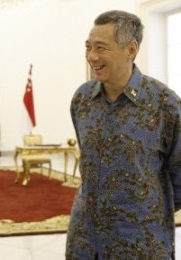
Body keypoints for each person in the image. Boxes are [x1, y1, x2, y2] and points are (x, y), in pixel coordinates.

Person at [66, 10, 181, 259]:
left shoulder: (165, 104)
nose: (92, 56)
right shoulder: (82, 99)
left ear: (131, 49)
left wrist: (141, 209)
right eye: (88, 47)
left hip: (140, 242)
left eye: (101, 48)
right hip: (85, 241)